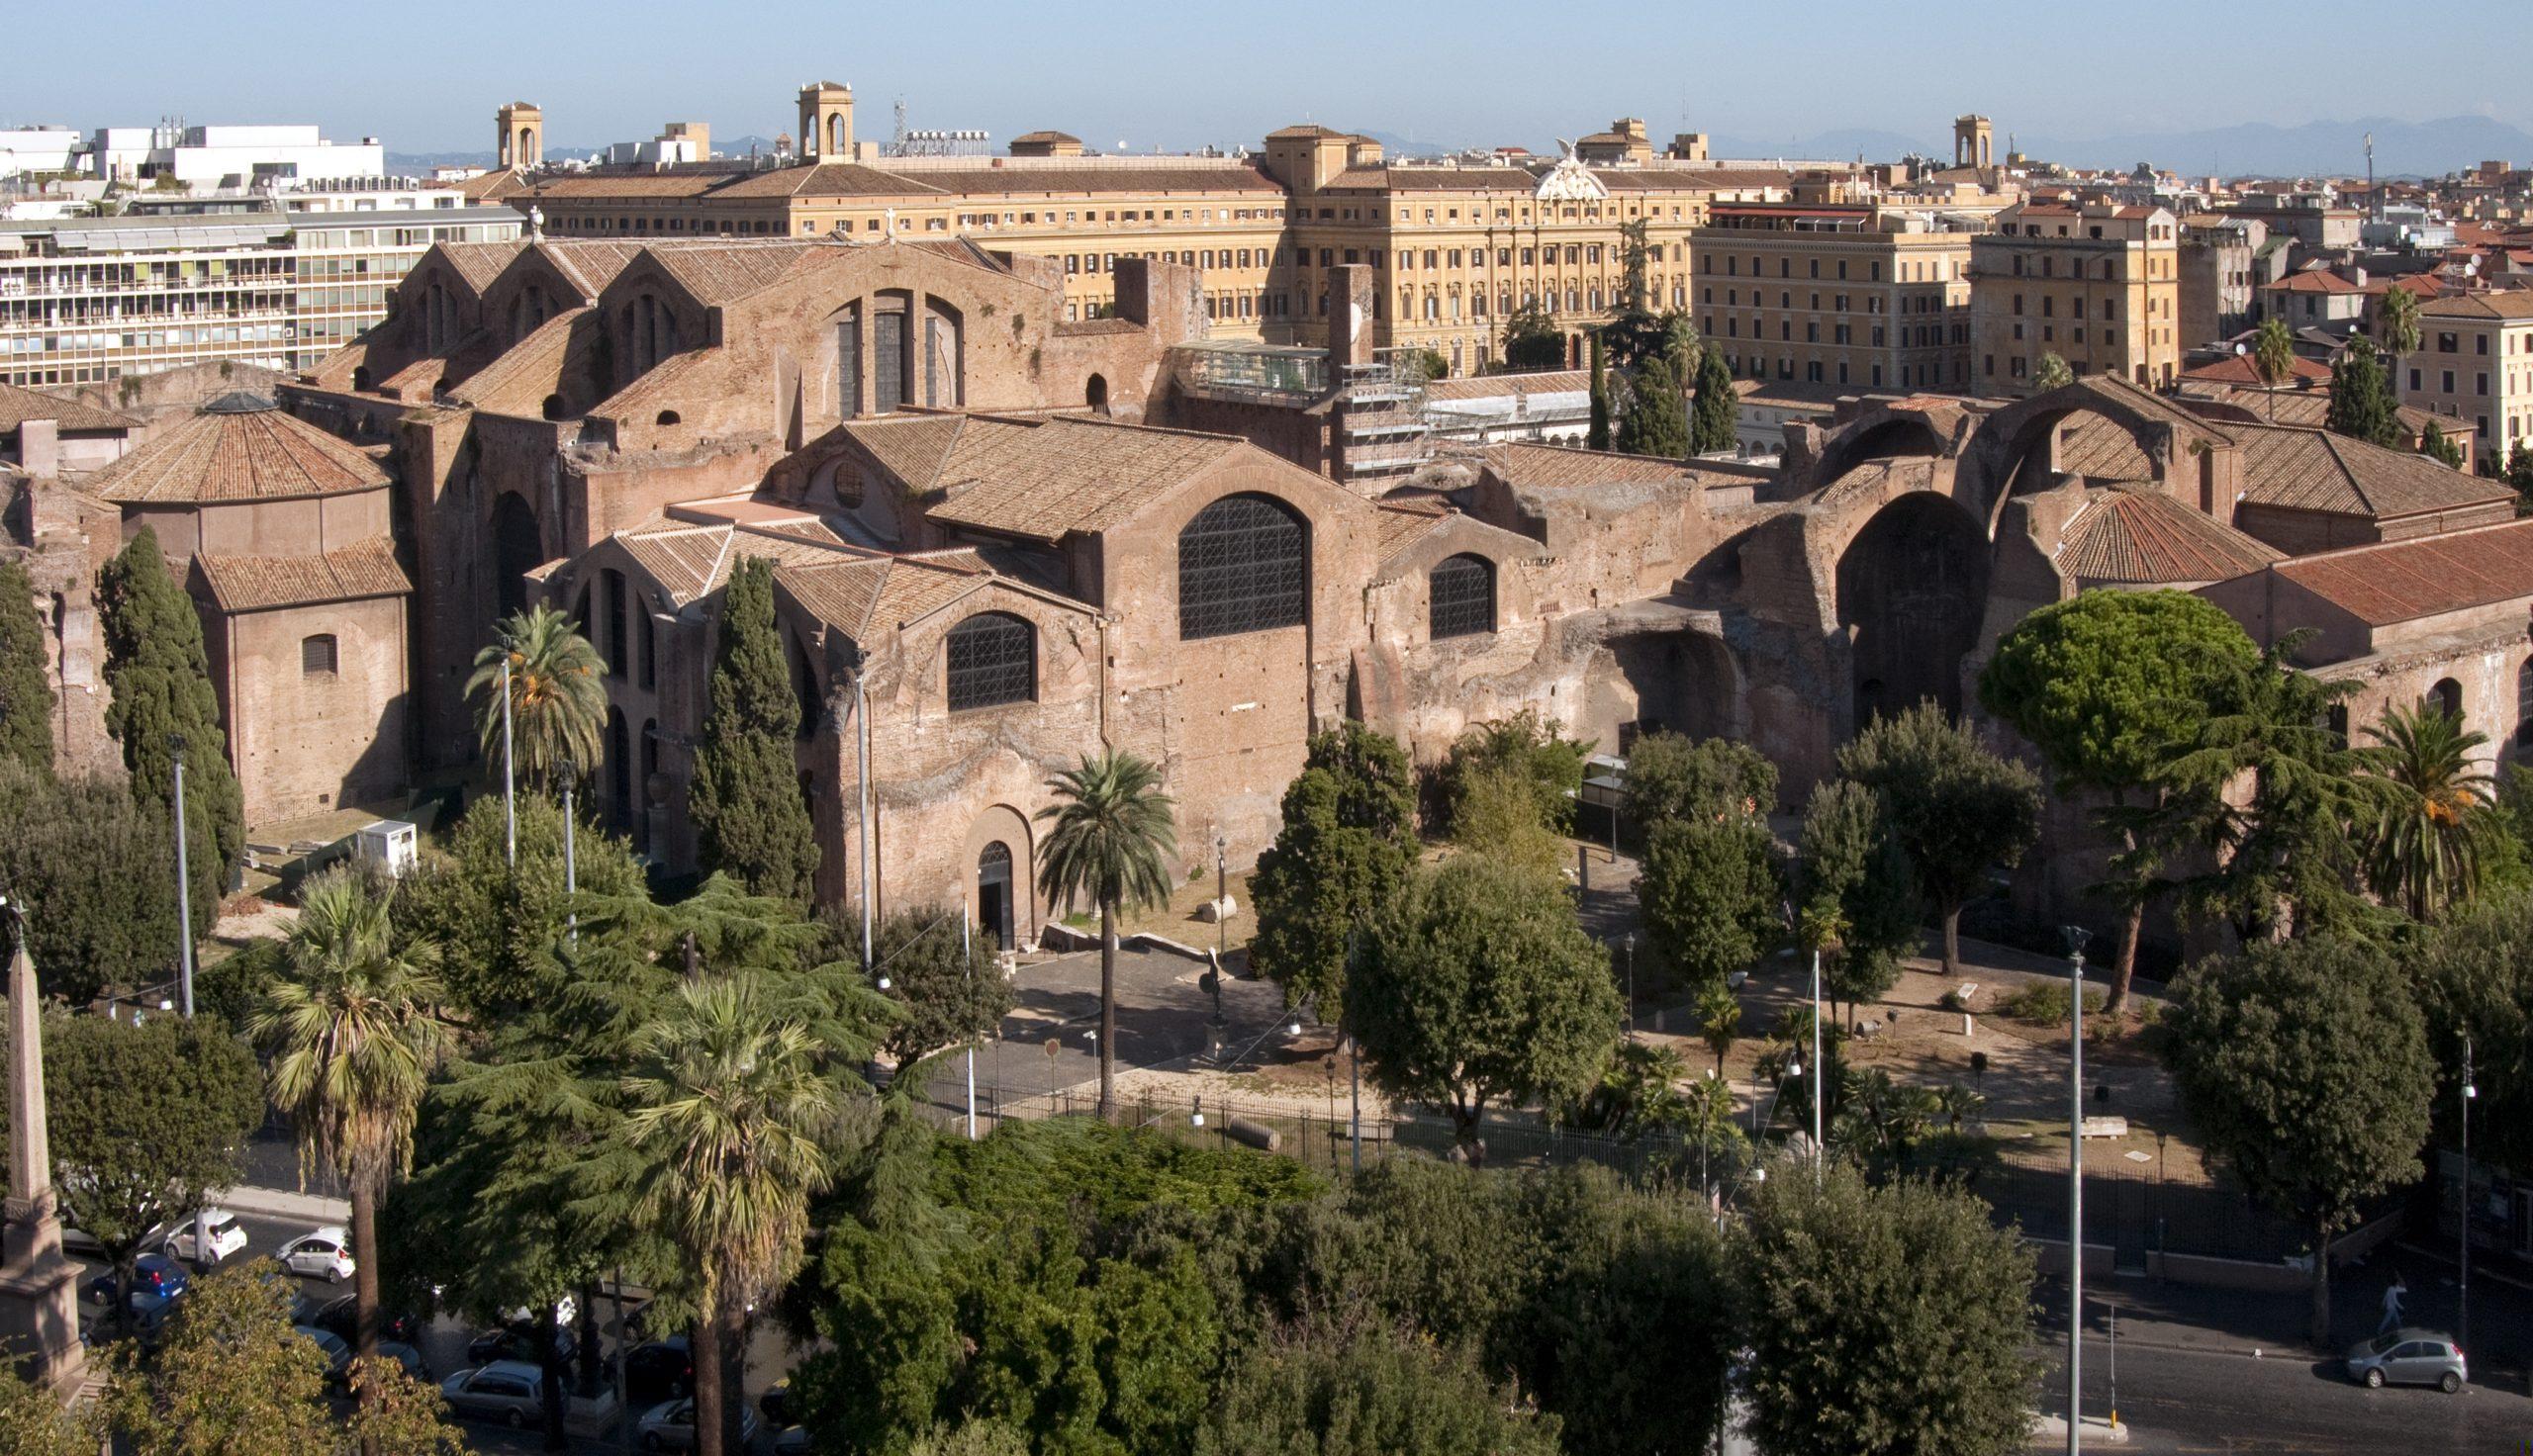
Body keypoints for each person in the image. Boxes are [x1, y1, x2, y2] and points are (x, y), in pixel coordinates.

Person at [2379, 1271, 2407, 1336]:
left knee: (2397, 1321)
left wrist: (2383, 1303)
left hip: (2392, 1307)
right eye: (2397, 1283)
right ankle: (2379, 1331)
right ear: (2396, 1284)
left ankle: (2401, 1329)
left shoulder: (2390, 1288)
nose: (2398, 1283)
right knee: (2386, 1320)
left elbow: (2385, 1296)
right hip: (2391, 1308)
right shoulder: (2394, 1290)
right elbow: (2395, 1301)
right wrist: (2402, 1307)